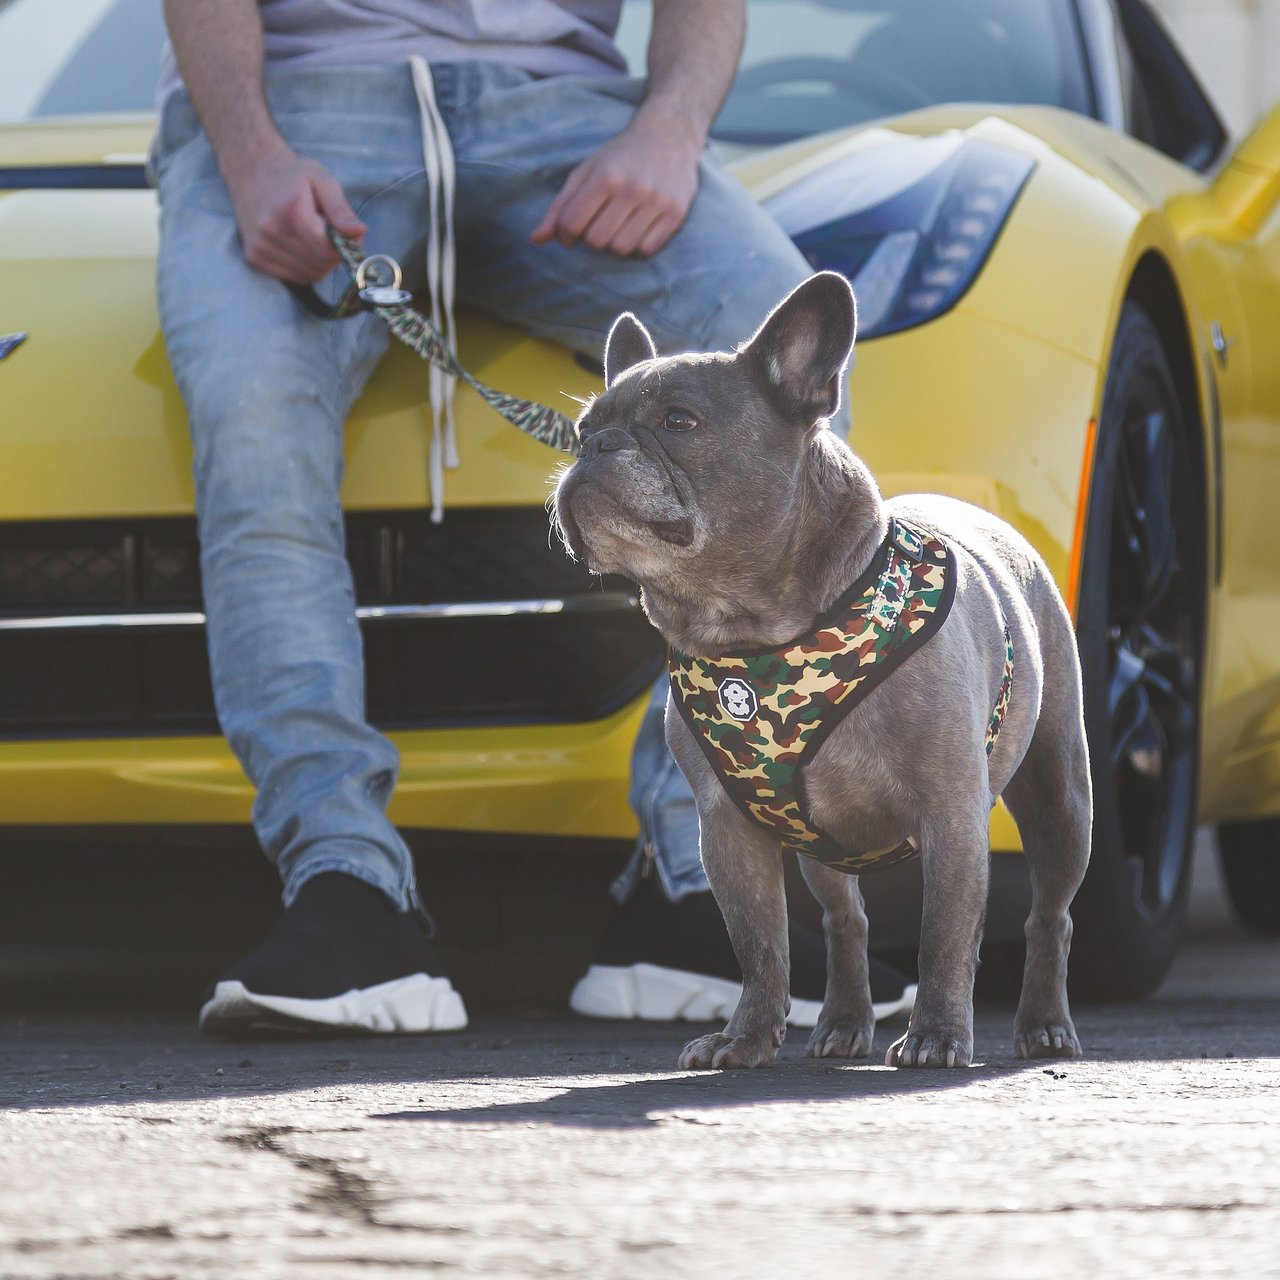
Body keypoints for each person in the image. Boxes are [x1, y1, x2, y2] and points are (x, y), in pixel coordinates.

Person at [154, 0, 916, 1037]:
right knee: (251, 406)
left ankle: (699, 879)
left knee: (787, 377)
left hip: (569, 121)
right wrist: (246, 154)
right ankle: (343, 883)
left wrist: (668, 130)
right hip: (294, 112)